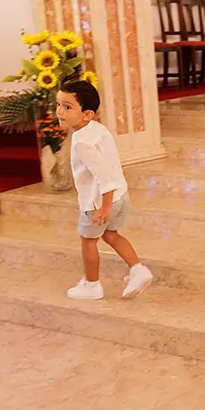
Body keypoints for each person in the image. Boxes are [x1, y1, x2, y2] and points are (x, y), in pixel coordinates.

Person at [56, 80, 153, 300]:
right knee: (110, 234)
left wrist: (105, 206)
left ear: (87, 114)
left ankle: (92, 285)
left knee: (88, 241)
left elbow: (103, 176)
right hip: (120, 195)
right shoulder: (97, 129)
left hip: (98, 202)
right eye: (58, 104)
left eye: (67, 107)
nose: (59, 111)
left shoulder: (82, 141)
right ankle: (137, 269)